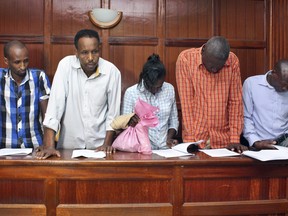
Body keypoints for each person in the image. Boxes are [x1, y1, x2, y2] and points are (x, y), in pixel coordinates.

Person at [35, 29, 121, 159]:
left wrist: (106, 145)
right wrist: (49, 145)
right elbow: (54, 108)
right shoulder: (65, 66)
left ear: (100, 49)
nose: (91, 58)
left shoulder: (112, 72)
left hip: (99, 147)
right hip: (68, 147)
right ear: (76, 52)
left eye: (95, 52)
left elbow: (113, 114)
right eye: (85, 53)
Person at [176, 36, 246, 152]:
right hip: (196, 138)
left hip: (224, 140)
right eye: (211, 65)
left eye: (219, 67)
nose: (214, 70)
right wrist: (190, 141)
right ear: (203, 51)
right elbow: (187, 104)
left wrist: (235, 138)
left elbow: (235, 102)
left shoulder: (232, 60)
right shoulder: (186, 59)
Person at [121, 53, 179, 149]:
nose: (155, 90)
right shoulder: (131, 93)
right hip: (141, 148)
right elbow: (124, 126)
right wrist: (131, 122)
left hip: (165, 148)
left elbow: (173, 121)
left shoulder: (169, 89)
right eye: (151, 86)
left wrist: (169, 138)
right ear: (144, 78)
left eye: (159, 87)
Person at [0, 40, 51, 148]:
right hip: (4, 146)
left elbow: (48, 115)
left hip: (35, 145)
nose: (23, 66)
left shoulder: (39, 77)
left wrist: (47, 144)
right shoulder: (0, 78)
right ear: (6, 61)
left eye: (26, 61)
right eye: (17, 62)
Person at [243, 59, 288, 150]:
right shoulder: (252, 84)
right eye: (283, 84)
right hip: (259, 141)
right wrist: (255, 142)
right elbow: (245, 117)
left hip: (285, 141)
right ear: (274, 74)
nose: (285, 88)